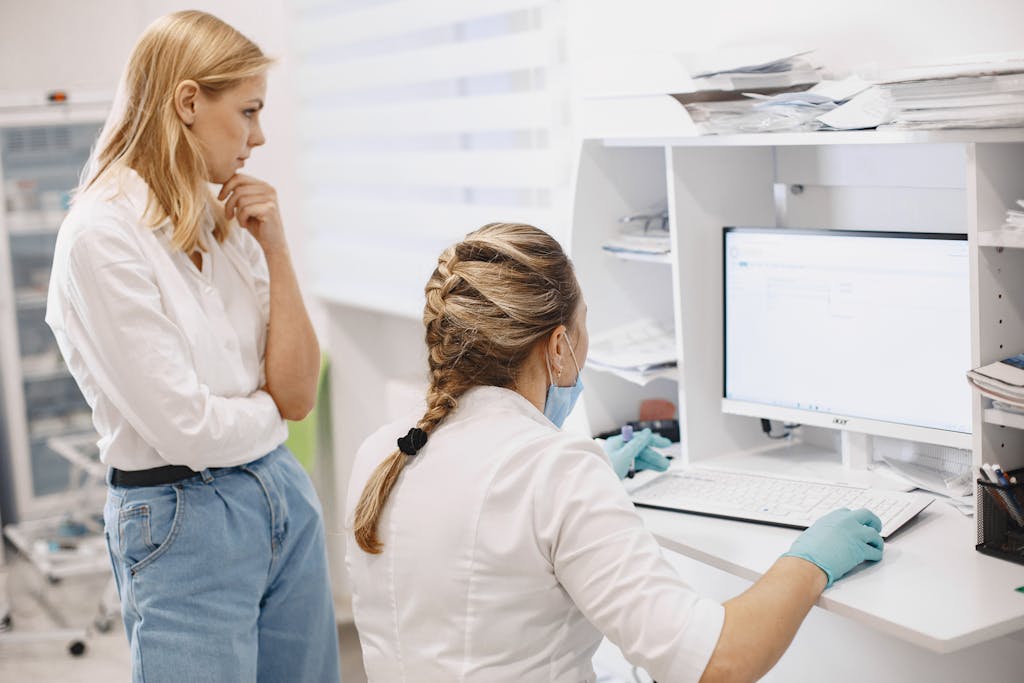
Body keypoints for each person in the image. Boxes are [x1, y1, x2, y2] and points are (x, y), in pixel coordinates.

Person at [345, 223, 884, 683]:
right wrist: (809, 560)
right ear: (558, 347)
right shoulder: (553, 472)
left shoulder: (383, 450)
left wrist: (595, 475)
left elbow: (481, 536)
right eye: (583, 328)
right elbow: (717, 661)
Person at [46, 11, 340, 682]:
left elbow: (295, 391)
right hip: (184, 520)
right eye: (248, 111)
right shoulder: (101, 237)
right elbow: (187, 430)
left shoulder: (226, 224)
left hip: (281, 497)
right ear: (187, 102)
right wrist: (268, 415)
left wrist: (277, 245)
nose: (258, 137)